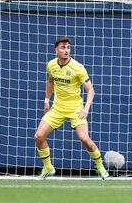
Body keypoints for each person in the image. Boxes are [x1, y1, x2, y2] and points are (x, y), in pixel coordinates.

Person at [34, 37, 108, 180]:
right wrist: (46, 100)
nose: (66, 50)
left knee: (84, 138)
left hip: (75, 108)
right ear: (56, 50)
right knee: (38, 136)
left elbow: (91, 91)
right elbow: (51, 82)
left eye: (68, 47)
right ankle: (48, 167)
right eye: (63, 47)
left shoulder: (77, 67)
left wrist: (86, 108)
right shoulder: (51, 65)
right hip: (57, 108)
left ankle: (100, 166)